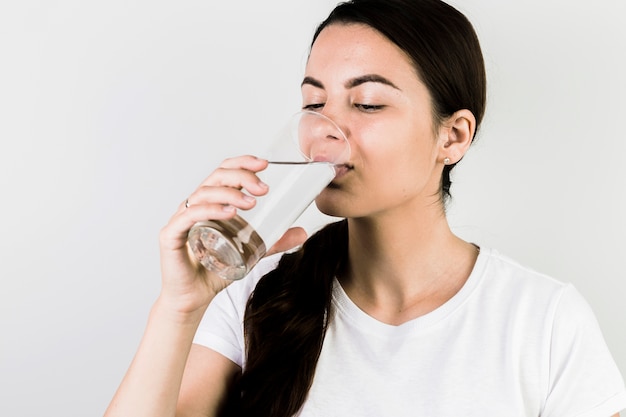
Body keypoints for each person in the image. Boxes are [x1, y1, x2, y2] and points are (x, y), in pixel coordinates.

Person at [104, 1, 626, 416]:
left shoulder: (543, 321)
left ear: (454, 136)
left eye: (368, 103)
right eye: (314, 103)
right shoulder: (251, 299)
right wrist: (178, 307)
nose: (326, 130)